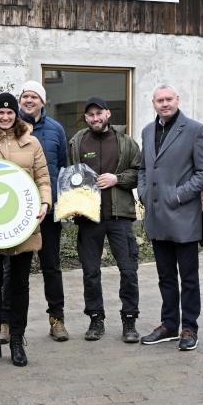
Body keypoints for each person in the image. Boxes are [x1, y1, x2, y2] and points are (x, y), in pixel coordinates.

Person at [0, 93, 52, 367]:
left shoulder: (32, 143)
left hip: (24, 224)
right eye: (0, 113)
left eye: (9, 113)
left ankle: (17, 339)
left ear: (16, 115)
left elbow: (42, 177)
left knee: (20, 284)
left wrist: (45, 202)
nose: (5, 118)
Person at [137, 84, 203, 350]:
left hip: (183, 216)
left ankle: (189, 327)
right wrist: (145, 192)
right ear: (153, 103)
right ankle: (169, 324)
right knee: (165, 276)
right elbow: (144, 168)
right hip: (157, 217)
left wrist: (179, 195)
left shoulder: (194, 130)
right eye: (160, 100)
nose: (164, 104)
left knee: (188, 277)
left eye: (169, 99)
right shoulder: (147, 131)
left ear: (177, 100)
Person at [67, 96, 142, 343]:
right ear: (86, 118)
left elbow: (138, 172)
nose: (95, 118)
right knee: (91, 272)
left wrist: (116, 179)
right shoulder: (77, 142)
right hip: (89, 218)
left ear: (108, 114)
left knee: (128, 270)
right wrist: (72, 206)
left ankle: (129, 320)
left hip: (119, 216)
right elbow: (70, 178)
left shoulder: (125, 142)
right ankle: (95, 319)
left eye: (99, 113)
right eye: (90, 115)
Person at [4, 80, 71, 342]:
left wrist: (57, 203)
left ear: (43, 101)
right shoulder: (9, 127)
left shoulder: (56, 130)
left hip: (47, 211)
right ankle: (6, 322)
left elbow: (62, 166)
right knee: (12, 270)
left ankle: (57, 320)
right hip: (16, 213)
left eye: (34, 97)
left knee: (51, 267)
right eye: (25, 96)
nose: (28, 100)